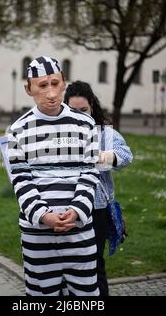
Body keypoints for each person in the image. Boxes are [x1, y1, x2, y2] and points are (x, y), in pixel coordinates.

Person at [7, 56, 100, 296]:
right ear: (29, 89)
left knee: (86, 293)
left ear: (64, 83)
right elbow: (21, 181)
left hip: (79, 233)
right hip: (37, 237)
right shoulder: (18, 130)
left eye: (55, 83)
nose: (50, 93)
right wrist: (43, 215)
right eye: (42, 85)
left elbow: (89, 173)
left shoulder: (86, 124)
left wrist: (78, 210)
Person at [64, 81, 133, 296]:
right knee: (67, 267)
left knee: (94, 264)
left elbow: (126, 155)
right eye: (72, 110)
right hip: (66, 209)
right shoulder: (58, 133)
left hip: (96, 209)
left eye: (83, 110)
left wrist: (103, 157)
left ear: (92, 106)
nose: (78, 115)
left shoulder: (103, 133)